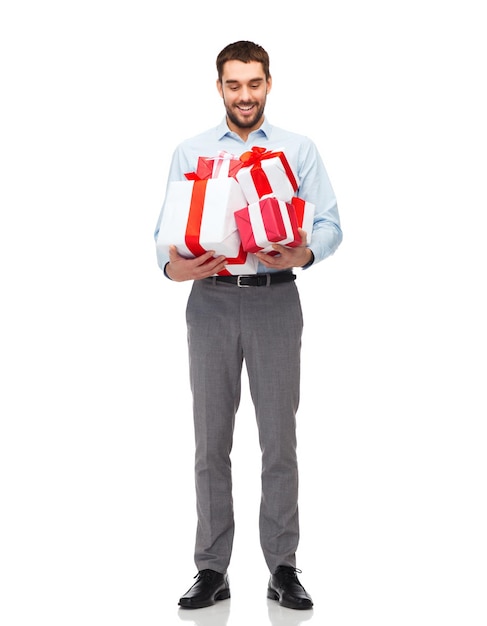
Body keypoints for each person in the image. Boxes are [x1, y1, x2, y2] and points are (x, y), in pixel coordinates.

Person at [154, 40, 342, 611]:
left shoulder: (297, 149)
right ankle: (212, 569)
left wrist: (304, 256)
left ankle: (282, 567)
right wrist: (174, 267)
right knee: (211, 443)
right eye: (233, 84)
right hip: (208, 301)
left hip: (275, 301)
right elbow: (162, 235)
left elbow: (331, 223)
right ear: (219, 88)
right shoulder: (190, 152)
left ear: (268, 84)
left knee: (278, 442)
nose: (244, 95)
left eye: (253, 83)